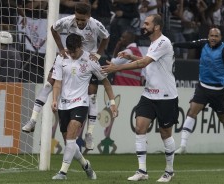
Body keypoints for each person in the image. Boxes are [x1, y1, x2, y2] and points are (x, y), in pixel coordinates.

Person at [101, 14, 178, 182]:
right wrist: (131, 57)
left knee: (165, 133)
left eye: (147, 24)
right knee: (140, 127)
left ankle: (169, 171)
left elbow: (143, 64)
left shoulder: (164, 42)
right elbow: (147, 61)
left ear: (156, 27)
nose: (144, 26)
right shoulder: (153, 44)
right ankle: (142, 170)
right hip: (149, 94)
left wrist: (117, 68)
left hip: (166, 96)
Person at [22, 2, 109, 150]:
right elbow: (53, 29)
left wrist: (98, 54)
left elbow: (106, 37)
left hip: (88, 60)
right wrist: (61, 49)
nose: (80, 22)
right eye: (78, 18)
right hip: (70, 56)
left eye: (83, 19)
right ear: (75, 14)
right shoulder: (67, 21)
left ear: (88, 16)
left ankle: (89, 133)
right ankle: (32, 120)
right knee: (49, 84)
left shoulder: (95, 25)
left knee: (92, 96)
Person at [51, 33, 118, 180]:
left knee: (71, 135)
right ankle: (86, 165)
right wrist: (54, 99)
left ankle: (62, 172)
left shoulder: (91, 60)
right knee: (69, 142)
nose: (71, 54)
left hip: (80, 103)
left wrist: (112, 103)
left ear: (80, 46)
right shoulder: (61, 57)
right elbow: (57, 82)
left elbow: (106, 82)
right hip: (63, 104)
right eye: (69, 50)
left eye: (74, 51)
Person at [173, 27, 224, 154]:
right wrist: (174, 44)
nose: (213, 38)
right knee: (192, 111)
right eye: (211, 35)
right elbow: (190, 45)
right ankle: (183, 145)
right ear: (208, 36)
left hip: (218, 90)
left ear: (220, 37)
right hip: (203, 87)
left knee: (222, 117)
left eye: (216, 36)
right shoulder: (203, 43)